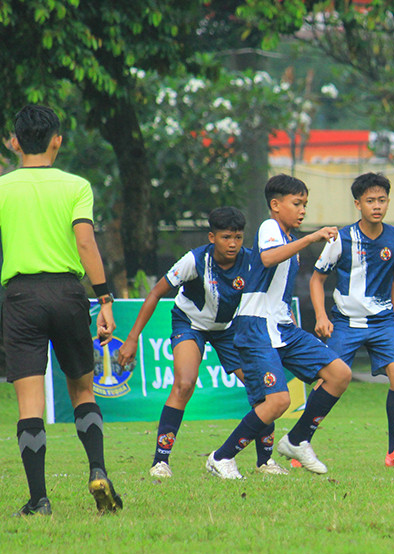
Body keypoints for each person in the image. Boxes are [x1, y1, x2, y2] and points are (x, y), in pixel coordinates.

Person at [0, 103, 122, 515]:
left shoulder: (3, 187)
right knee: (83, 389)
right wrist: (104, 298)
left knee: (30, 403)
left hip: (20, 297)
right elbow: (86, 244)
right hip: (68, 293)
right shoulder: (76, 186)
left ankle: (39, 499)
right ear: (58, 140)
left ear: (15, 142)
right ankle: (98, 470)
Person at [116, 207, 286, 478]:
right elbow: (156, 293)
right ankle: (161, 462)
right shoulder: (194, 260)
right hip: (190, 324)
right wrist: (132, 338)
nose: (233, 244)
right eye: (226, 237)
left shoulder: (252, 261)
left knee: (261, 390)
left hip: (229, 329)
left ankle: (265, 462)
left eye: (239, 237)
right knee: (184, 384)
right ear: (212, 237)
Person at [206, 174, 353, 479]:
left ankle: (297, 440)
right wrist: (312, 237)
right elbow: (268, 257)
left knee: (339, 374)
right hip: (256, 326)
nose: (302, 210)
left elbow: (278, 288)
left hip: (283, 327)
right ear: (275, 205)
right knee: (278, 400)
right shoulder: (270, 228)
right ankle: (221, 457)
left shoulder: (287, 237)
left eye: (305, 204)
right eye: (296, 203)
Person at [310, 173, 394, 468]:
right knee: (328, 380)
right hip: (345, 322)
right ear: (358, 204)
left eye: (382, 200)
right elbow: (317, 279)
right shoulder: (341, 238)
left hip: (383, 322)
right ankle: (300, 443)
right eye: (370, 201)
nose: (377, 206)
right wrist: (322, 316)